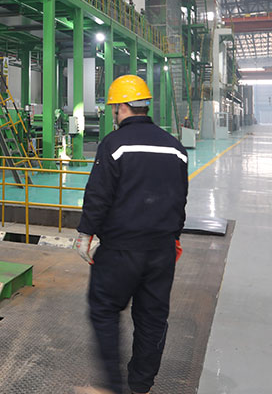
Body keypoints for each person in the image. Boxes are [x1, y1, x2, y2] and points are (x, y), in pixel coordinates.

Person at [73, 75, 188, 394]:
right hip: (162, 250)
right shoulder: (176, 147)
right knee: (152, 319)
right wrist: (174, 237)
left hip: (121, 249)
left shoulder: (114, 144)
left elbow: (98, 195)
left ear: (122, 107)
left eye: (114, 107)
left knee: (104, 309)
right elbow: (180, 198)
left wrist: (85, 233)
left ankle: (113, 386)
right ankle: (140, 386)